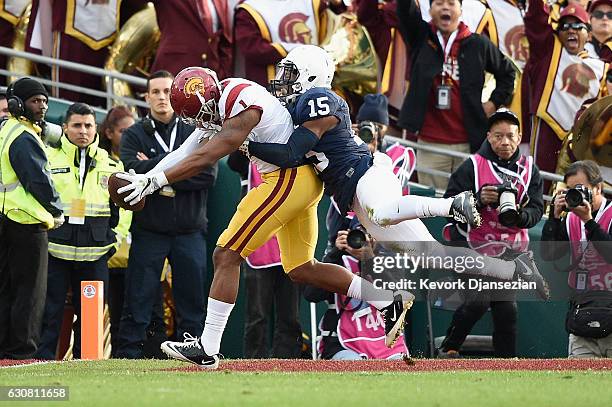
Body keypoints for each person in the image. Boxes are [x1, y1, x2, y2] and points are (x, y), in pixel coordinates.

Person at [116, 65, 418, 368]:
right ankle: (386, 301)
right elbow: (186, 149)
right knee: (302, 268)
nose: (202, 121)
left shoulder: (241, 99)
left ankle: (207, 348)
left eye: (201, 113)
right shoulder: (217, 101)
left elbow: (208, 155)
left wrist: (154, 182)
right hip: (300, 181)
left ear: (210, 95)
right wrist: (147, 180)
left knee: (226, 254)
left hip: (287, 179)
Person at [115, 70, 217, 359]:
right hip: (150, 229)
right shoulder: (133, 134)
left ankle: (196, 352)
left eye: (165, 91)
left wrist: (154, 174)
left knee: (192, 299)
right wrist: (183, 163)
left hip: (190, 229)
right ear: (146, 97)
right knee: (139, 295)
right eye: (155, 92)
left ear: (175, 95)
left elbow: (206, 176)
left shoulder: (196, 130)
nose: (161, 97)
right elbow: (130, 174)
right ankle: (128, 354)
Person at [438, 108, 544, 358]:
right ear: (488, 136)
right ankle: (449, 349)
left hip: (509, 253)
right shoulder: (472, 167)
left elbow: (537, 210)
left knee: (507, 311)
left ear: (519, 138)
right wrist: (478, 200)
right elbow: (447, 207)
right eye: (498, 136)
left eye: (510, 135)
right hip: (470, 247)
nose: (504, 142)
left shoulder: (530, 170)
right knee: (479, 300)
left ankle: (506, 364)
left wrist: (519, 215)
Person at [36, 102, 125, 359]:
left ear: (96, 128)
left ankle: (85, 368)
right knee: (48, 314)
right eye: (76, 125)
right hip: (55, 252)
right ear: (65, 128)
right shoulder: (47, 160)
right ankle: (40, 365)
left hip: (95, 255)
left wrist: (116, 238)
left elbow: (124, 210)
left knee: (90, 318)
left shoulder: (112, 166)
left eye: (88, 125)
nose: (83, 131)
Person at [397, 0, 516, 191]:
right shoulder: (420, 36)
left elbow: (508, 73)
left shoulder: (477, 43)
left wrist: (493, 103)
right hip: (430, 142)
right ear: (430, 10)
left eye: (451, 3)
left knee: (465, 204)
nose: (445, 7)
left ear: (460, 10)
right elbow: (405, 11)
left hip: (468, 143)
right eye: (439, 3)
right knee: (432, 207)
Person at [0, 77, 63, 359]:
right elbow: (37, 180)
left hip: (5, 218)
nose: (42, 106)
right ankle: (22, 351)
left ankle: (6, 348)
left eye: (45, 101)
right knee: (31, 292)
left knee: (6, 289)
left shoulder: (5, 129)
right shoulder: (24, 136)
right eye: (35, 101)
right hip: (27, 223)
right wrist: (56, 210)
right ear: (17, 104)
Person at [524, 1, 608, 187]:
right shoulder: (547, 52)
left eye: (578, 26)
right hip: (549, 128)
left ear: (589, 33)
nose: (571, 30)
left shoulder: (602, 68)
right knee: (541, 183)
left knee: (577, 187)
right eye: (565, 26)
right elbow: (536, 19)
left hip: (580, 138)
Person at [541, 160, 612, 358]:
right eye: (571, 189)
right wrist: (554, 219)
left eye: (581, 188)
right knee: (580, 382)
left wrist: (589, 222)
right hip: (582, 313)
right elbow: (549, 255)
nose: (576, 194)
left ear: (598, 187)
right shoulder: (571, 218)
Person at [234, 0, 346, 86]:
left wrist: (336, 4)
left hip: (314, 80)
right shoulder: (249, 8)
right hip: (271, 85)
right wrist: (301, 51)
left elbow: (338, 19)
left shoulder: (312, 2)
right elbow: (253, 49)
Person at [98, 105, 136, 355]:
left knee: (132, 309)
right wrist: (114, 236)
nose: (128, 136)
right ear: (110, 133)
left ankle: (126, 354)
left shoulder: (136, 161)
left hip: (134, 250)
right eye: (123, 131)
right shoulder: (101, 161)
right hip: (108, 250)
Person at [149, 0, 233, 79]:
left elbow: (224, 42)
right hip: (173, 72)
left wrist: (222, 74)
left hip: (210, 78)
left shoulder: (222, 1)